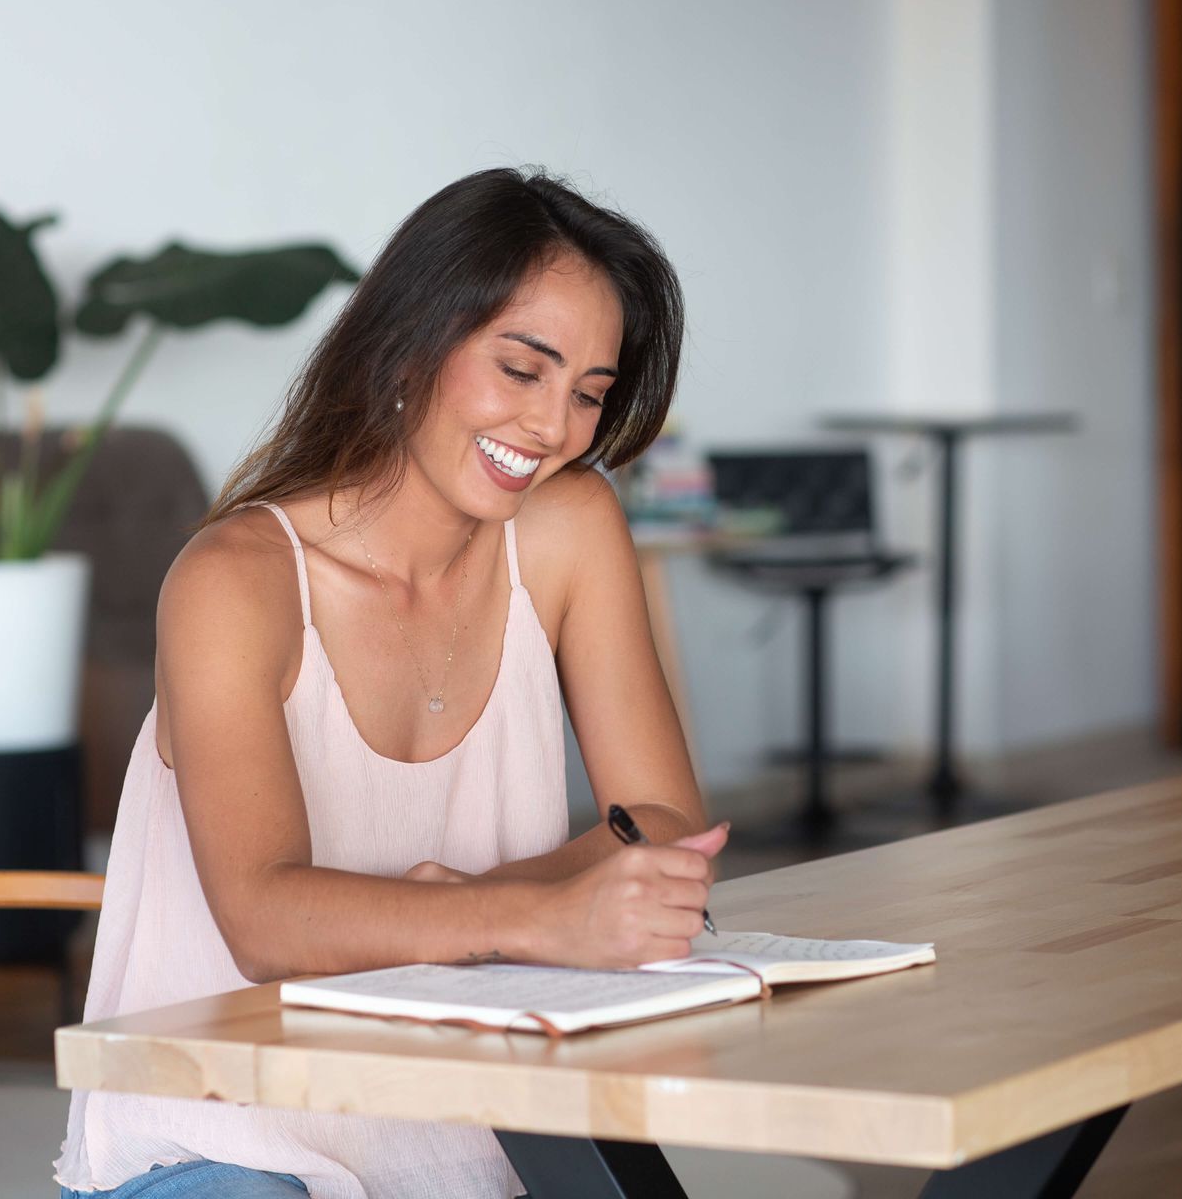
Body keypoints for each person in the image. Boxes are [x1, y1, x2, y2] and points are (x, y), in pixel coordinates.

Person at [56, 168, 725, 1199]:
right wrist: (536, 916)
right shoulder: (235, 581)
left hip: (476, 1120)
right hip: (227, 1131)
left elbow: (665, 821)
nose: (553, 427)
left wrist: (467, 909)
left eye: (589, 392)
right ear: (414, 341)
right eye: (521, 367)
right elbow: (267, 921)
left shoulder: (569, 529)